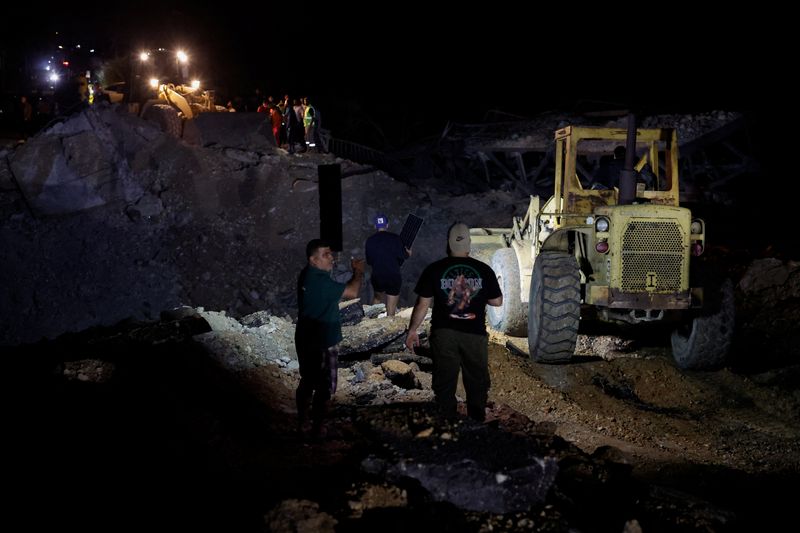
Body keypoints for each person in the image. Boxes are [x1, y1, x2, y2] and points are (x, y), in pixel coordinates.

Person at [405, 222, 502, 422]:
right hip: (474, 334)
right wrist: (478, 293)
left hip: (444, 332)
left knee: (444, 380)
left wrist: (412, 330)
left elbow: (422, 304)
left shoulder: (434, 269)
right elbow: (497, 301)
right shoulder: (483, 270)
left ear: (448, 244)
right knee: (476, 380)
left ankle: (446, 422)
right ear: (469, 244)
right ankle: (476, 421)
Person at [295, 239, 365, 437]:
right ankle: (318, 428)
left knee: (307, 381)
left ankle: (303, 423)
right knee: (324, 386)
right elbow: (352, 292)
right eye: (326, 255)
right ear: (313, 260)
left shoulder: (307, 275)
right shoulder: (319, 279)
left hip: (306, 336)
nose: (331, 258)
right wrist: (358, 271)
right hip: (323, 340)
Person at [365, 213, 411, 316]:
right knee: (391, 307)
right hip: (393, 275)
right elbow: (404, 256)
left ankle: (370, 321)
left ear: (375, 226)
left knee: (377, 298)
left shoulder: (370, 240)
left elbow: (369, 261)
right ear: (387, 225)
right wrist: (408, 253)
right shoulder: (395, 238)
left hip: (378, 275)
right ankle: (390, 322)